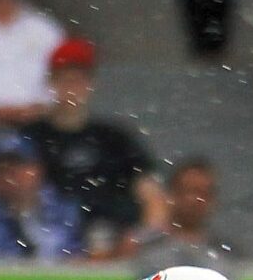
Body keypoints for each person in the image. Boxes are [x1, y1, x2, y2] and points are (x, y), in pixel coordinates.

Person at [19, 37, 163, 258]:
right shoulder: (32, 136)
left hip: (115, 240)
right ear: (52, 83)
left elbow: (153, 197)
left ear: (89, 84)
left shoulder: (115, 138)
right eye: (65, 80)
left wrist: (139, 237)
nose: (71, 89)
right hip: (51, 240)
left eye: (78, 81)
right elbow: (19, 194)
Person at [131, 157, 242, 271]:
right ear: (171, 194)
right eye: (187, 191)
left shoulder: (228, 253)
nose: (195, 200)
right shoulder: (140, 246)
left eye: (202, 193)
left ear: (213, 199)